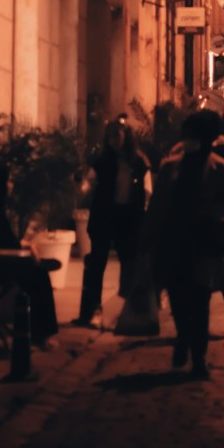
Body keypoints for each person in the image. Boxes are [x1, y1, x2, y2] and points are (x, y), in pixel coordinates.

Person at [147, 108, 224, 379]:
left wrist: (210, 212)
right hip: (174, 238)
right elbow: (157, 205)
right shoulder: (170, 166)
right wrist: (147, 238)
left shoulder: (217, 167)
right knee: (177, 296)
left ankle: (198, 354)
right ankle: (183, 337)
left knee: (200, 300)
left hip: (203, 240)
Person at [0, 160, 60, 348]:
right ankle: (43, 333)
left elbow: (4, 241)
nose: (11, 184)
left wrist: (23, 245)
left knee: (36, 272)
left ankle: (41, 331)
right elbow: (5, 244)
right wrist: (25, 248)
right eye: (8, 180)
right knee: (38, 276)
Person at [74, 118, 150, 326]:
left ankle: (124, 307)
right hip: (105, 216)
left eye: (116, 135)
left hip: (128, 217)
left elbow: (146, 190)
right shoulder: (103, 161)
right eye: (109, 136)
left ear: (126, 137)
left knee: (129, 264)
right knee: (97, 263)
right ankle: (93, 311)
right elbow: (89, 179)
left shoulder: (138, 162)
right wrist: (83, 184)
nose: (112, 140)